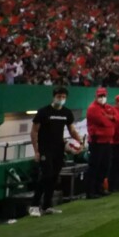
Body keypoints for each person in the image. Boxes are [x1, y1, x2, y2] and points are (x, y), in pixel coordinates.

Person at [29, 86, 82, 217]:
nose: (61, 99)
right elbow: (34, 132)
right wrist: (36, 151)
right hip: (45, 149)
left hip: (58, 149)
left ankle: (47, 206)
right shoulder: (43, 112)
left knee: (53, 178)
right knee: (46, 176)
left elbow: (72, 130)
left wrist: (80, 142)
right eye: (59, 97)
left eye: (64, 97)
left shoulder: (66, 113)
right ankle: (34, 205)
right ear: (54, 97)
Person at [85, 86, 116, 199]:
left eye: (104, 96)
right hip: (97, 141)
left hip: (107, 141)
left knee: (104, 166)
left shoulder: (108, 107)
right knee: (95, 166)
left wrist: (110, 118)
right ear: (96, 96)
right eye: (100, 96)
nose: (102, 98)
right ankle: (90, 191)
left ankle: (99, 188)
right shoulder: (93, 108)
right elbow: (105, 122)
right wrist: (110, 118)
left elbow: (115, 119)